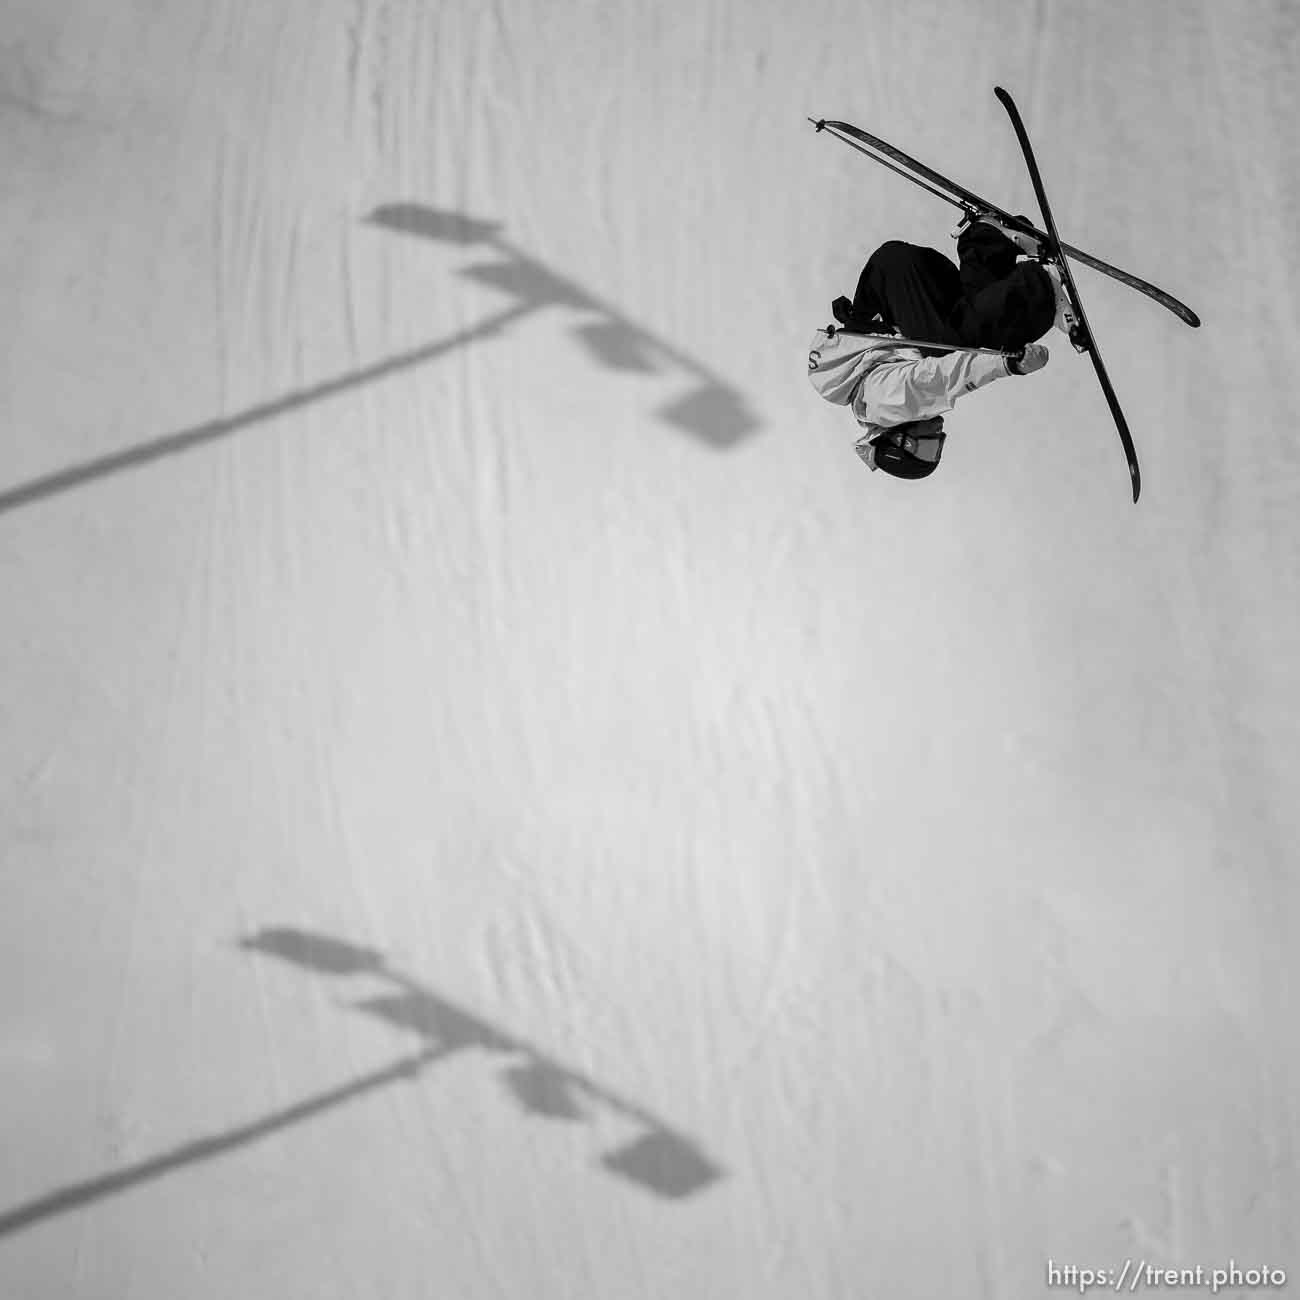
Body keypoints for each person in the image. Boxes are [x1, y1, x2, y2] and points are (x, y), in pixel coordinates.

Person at [808, 216, 1069, 478]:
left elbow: (939, 376)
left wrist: (1010, 365)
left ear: (903, 442)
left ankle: (1041, 287)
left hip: (899, 280)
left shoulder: (886, 404)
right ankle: (987, 238)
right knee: (967, 323)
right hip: (910, 285)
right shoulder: (878, 396)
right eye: (938, 447)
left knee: (959, 349)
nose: (939, 432)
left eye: (929, 445)